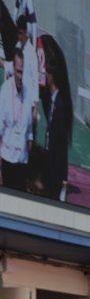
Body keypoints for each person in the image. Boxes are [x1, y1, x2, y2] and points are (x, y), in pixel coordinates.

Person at [41, 47, 71, 202]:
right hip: (50, 167)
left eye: (46, 73)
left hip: (55, 172)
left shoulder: (60, 106)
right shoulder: (54, 102)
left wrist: (63, 178)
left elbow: (62, 144)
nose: (44, 76)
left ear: (51, 76)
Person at [0, 48, 31, 191]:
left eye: (22, 72)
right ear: (13, 69)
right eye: (18, 71)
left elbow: (29, 131)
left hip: (22, 161)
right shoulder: (5, 91)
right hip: (7, 159)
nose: (20, 76)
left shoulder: (27, 93)